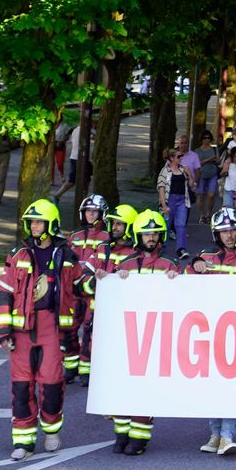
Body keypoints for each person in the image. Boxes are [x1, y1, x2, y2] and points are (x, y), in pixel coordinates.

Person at [0, 200, 79, 461]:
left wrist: (104, 280)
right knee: (21, 388)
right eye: (31, 222)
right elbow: (4, 293)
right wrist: (3, 331)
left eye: (39, 222)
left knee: (52, 385)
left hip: (52, 328)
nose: (33, 226)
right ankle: (24, 441)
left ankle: (51, 431)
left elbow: (80, 287)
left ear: (51, 225)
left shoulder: (66, 254)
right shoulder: (17, 254)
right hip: (22, 329)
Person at [101, 210, 181, 455]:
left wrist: (176, 280)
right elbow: (107, 296)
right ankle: (121, 433)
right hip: (127, 337)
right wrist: (110, 279)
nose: (151, 237)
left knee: (146, 390)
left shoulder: (170, 266)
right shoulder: (123, 266)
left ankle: (139, 438)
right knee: (122, 387)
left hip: (155, 337)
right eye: (146, 233)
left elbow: (181, 300)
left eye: (155, 233)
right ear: (138, 235)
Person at [190, 207, 236, 456]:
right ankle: (215, 434)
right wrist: (191, 265)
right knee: (212, 387)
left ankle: (227, 436)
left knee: (232, 385)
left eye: (232, 230)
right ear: (216, 235)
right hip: (210, 332)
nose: (229, 236)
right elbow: (182, 284)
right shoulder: (205, 258)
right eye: (223, 232)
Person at [75, 204, 140, 386]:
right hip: (97, 310)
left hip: (124, 313)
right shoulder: (103, 248)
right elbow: (84, 276)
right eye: (113, 223)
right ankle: (86, 373)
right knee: (89, 340)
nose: (115, 227)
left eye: (120, 224)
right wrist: (95, 280)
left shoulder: (136, 253)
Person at [62, 194, 110, 385]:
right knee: (69, 330)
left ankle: (86, 369)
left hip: (92, 292)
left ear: (101, 213)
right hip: (72, 292)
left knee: (89, 330)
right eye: (87, 211)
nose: (90, 215)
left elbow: (101, 264)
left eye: (94, 211)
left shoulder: (106, 238)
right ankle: (71, 367)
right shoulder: (74, 236)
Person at [157, 147, 195, 257]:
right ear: (171, 158)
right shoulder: (165, 171)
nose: (181, 158)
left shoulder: (183, 169)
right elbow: (161, 188)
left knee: (181, 225)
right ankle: (161, 248)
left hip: (182, 200)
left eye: (181, 156)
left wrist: (190, 175)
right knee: (166, 225)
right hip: (170, 200)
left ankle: (181, 249)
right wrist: (164, 205)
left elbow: (191, 186)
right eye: (178, 156)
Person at [193, 131, 221, 223]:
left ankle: (208, 214)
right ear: (201, 139)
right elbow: (197, 163)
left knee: (211, 195)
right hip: (201, 175)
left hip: (212, 174)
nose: (207, 140)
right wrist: (209, 159)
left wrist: (211, 160)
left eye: (208, 138)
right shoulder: (197, 151)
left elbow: (218, 161)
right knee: (200, 195)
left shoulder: (214, 149)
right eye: (205, 138)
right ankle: (202, 215)